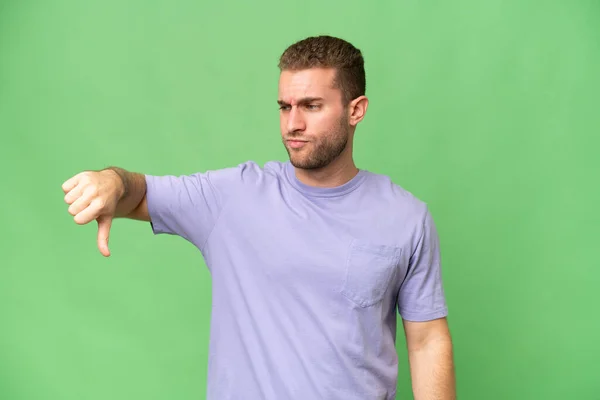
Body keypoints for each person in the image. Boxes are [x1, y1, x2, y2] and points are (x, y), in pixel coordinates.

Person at [62, 35, 456, 400]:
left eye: (311, 106)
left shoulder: (406, 217)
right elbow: (140, 191)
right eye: (285, 107)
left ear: (356, 110)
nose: (292, 124)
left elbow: (426, 341)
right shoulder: (232, 197)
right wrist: (111, 182)